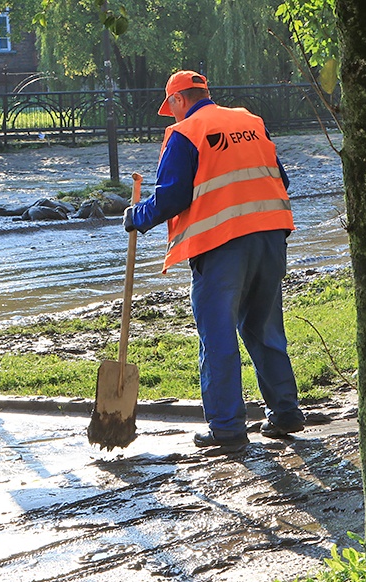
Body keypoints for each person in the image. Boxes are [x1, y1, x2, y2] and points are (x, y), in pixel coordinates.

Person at [123, 70, 304, 449]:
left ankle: (227, 429)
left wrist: (137, 216)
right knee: (265, 328)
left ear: (178, 100)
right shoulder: (250, 121)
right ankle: (285, 413)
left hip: (221, 246)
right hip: (272, 236)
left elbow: (171, 198)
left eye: (170, 107)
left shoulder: (185, 132)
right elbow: (279, 180)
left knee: (217, 334)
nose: (171, 115)